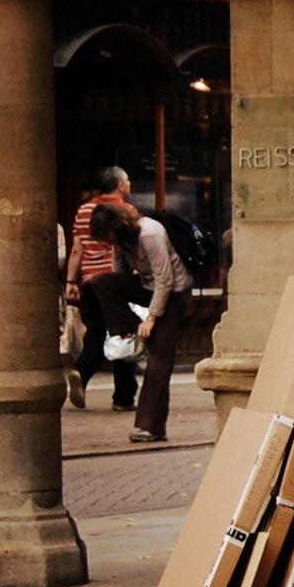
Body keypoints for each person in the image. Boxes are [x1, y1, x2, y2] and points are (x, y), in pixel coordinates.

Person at [87, 198, 192, 443]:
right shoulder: (121, 240)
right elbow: (118, 272)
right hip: (147, 287)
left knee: (159, 361)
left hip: (174, 292)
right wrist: (126, 312)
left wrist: (152, 319)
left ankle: (151, 426)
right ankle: (129, 334)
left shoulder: (150, 232)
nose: (109, 243)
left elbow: (165, 278)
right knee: (101, 282)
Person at [65, 167, 138, 412]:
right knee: (124, 333)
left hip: (90, 282)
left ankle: (80, 372)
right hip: (116, 281)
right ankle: (123, 397)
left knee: (96, 333)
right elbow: (130, 248)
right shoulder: (126, 210)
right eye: (127, 181)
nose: (129, 185)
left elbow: (77, 248)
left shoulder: (84, 209)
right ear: (119, 185)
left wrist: (70, 281)